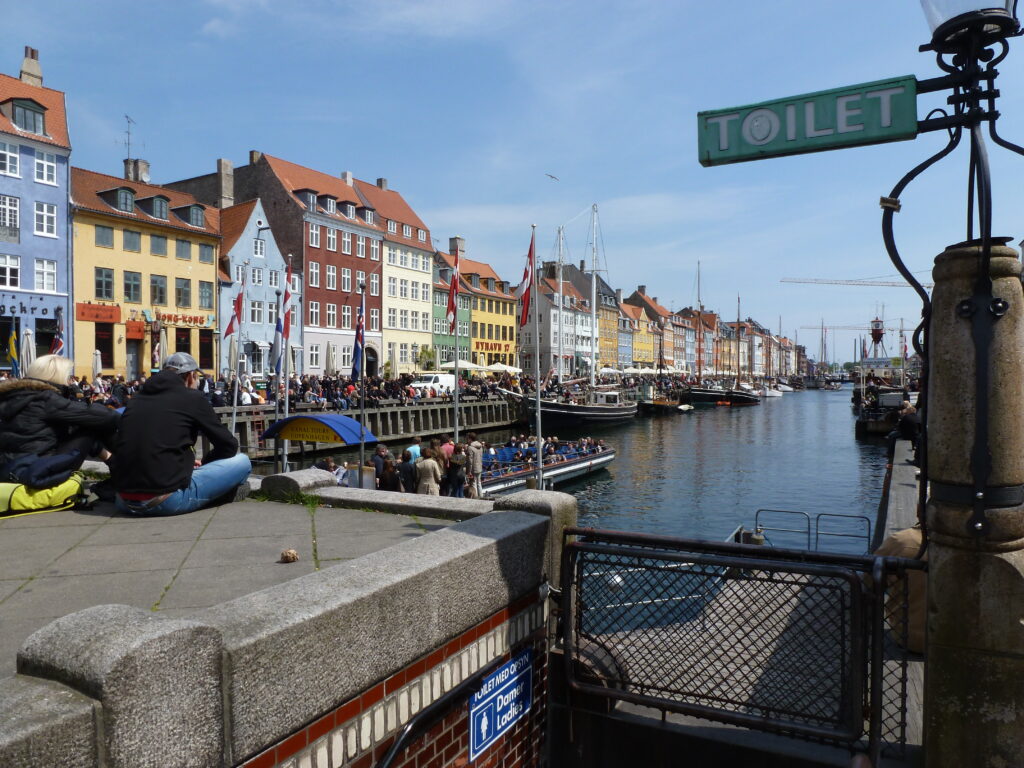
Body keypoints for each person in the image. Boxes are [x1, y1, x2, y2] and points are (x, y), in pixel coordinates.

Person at [111, 353, 251, 516]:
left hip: (123, 500)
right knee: (243, 461)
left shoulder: (136, 400)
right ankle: (221, 493)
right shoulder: (193, 398)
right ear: (191, 376)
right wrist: (206, 463)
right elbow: (228, 445)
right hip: (166, 500)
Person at [0, 354, 120, 487]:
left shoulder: (14, 396)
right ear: (57, 376)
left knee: (83, 425)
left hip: (10, 468)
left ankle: (116, 464)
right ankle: (128, 472)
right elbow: (107, 416)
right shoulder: (46, 398)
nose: (69, 381)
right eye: (67, 376)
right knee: (92, 424)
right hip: (37, 470)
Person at [467, 432, 484, 499]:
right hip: (479, 466)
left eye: (468, 438)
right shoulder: (480, 446)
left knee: (473, 484)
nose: (467, 440)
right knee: (479, 483)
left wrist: (469, 471)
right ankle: (481, 497)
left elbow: (470, 461)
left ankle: (475, 498)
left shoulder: (470, 447)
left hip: (473, 468)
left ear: (470, 439)